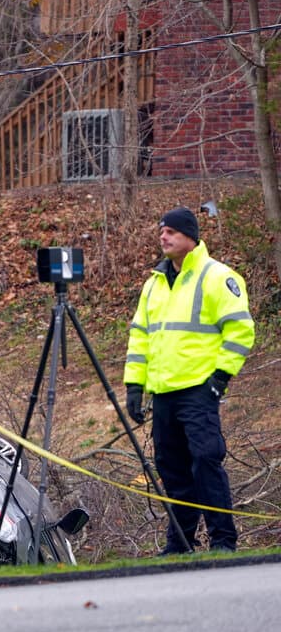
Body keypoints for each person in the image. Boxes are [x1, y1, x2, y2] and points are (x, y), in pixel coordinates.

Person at [123, 206, 255, 555]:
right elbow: (140, 338)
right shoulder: (153, 284)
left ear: (190, 237)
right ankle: (180, 544)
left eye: (171, 231)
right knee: (173, 471)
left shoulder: (217, 277)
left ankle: (223, 541)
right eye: (161, 231)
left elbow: (241, 331)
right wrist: (134, 387)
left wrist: (220, 379)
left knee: (205, 461)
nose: (163, 236)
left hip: (199, 389)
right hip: (164, 392)